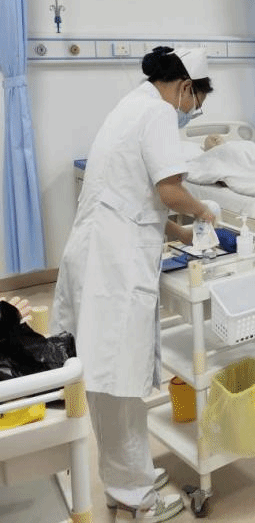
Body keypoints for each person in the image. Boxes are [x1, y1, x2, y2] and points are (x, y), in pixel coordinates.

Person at [51, 46, 217, 522]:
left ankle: (126, 478)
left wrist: (181, 233)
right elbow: (168, 190)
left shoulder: (131, 106)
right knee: (119, 380)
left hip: (98, 252)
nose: (192, 112)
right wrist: (204, 212)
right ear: (185, 87)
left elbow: (138, 196)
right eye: (196, 102)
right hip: (114, 265)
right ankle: (135, 496)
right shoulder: (160, 114)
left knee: (108, 379)